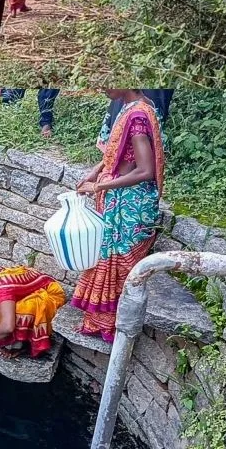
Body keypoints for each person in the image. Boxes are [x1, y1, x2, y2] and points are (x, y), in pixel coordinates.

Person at [71, 89, 167, 342]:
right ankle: (99, 323)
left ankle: (115, 326)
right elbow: (119, 152)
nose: (101, 86)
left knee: (120, 266)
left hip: (130, 206)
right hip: (119, 199)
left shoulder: (138, 116)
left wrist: (99, 187)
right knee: (107, 263)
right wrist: (96, 170)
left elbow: (145, 170)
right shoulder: (131, 105)